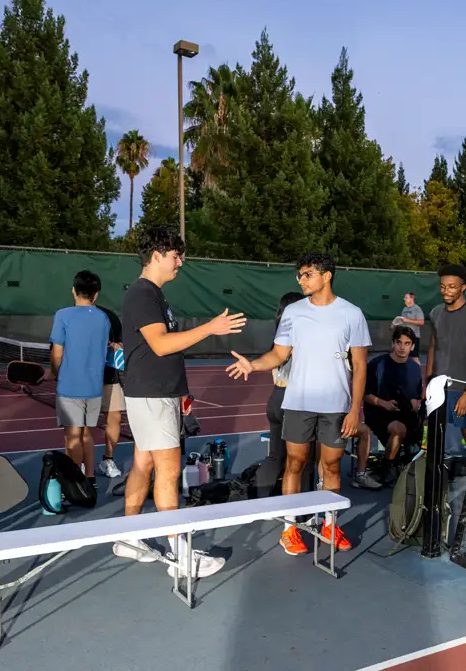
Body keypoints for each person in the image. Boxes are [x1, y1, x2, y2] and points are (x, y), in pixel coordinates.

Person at [113, 227, 243, 578]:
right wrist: (210, 328)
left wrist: (179, 392)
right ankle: (180, 557)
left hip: (156, 392)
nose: (180, 262)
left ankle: (129, 538)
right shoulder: (143, 294)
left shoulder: (151, 294)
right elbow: (160, 344)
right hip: (152, 395)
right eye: (175, 256)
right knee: (169, 471)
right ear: (156, 255)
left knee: (144, 464)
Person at [227, 252, 370, 555]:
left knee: (331, 465)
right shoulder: (293, 312)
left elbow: (360, 365)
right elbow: (279, 355)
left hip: (336, 406)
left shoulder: (352, 314)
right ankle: (290, 529)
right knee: (295, 462)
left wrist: (355, 409)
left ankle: (329, 523)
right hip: (298, 403)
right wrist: (253, 365)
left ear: (326, 275)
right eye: (300, 275)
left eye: (307, 274)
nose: (301, 280)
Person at [49, 270, 111, 488]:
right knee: (86, 435)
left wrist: (55, 374)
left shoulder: (62, 315)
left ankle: (74, 483)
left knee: (73, 437)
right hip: (94, 388)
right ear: (96, 295)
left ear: (73, 291)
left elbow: (57, 354)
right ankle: (90, 478)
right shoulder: (104, 318)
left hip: (70, 387)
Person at [254, 292, 317, 498]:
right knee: (302, 459)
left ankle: (261, 500)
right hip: (294, 400)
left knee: (275, 456)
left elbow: (274, 372)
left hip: (276, 397)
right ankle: (304, 510)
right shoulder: (302, 335)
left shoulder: (278, 336)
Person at [426, 264, 466, 463]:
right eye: (443, 286)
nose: (446, 291)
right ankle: (435, 474)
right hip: (439, 388)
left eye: (451, 286)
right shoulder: (435, 313)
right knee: (435, 433)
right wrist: (428, 382)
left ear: (463, 287)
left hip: (463, 389)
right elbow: (433, 348)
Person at [363, 326, 423, 486]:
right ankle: (388, 467)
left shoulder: (415, 368)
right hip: (377, 412)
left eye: (407, 343)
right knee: (398, 429)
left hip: (404, 413)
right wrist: (383, 403)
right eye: (399, 342)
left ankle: (413, 463)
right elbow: (365, 394)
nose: (402, 347)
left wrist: (415, 402)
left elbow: (417, 396)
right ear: (393, 343)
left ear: (412, 346)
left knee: (427, 424)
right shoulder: (377, 364)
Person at [95, 304, 126, 480]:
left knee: (114, 417)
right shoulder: (71, 316)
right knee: (83, 424)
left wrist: (115, 345)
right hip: (85, 378)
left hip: (109, 376)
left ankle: (108, 459)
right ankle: (81, 462)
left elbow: (120, 343)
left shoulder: (109, 316)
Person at [393, 292, 425, 365]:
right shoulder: (404, 309)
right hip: (403, 337)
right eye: (404, 298)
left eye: (406, 297)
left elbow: (421, 322)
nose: (404, 299)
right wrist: (396, 324)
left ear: (412, 298)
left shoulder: (417, 309)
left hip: (413, 336)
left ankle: (418, 374)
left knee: (414, 357)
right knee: (403, 357)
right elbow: (402, 321)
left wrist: (407, 320)